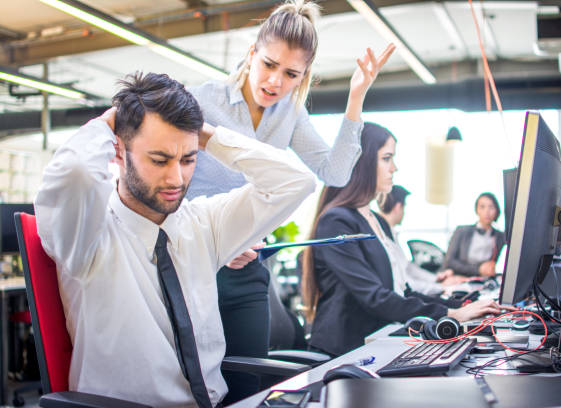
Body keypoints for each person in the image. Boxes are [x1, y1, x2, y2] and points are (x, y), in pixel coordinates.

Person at [34, 72, 315, 407]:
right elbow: (76, 171)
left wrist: (207, 136)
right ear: (119, 152)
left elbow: (296, 182)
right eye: (159, 159)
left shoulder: (203, 222)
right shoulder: (88, 234)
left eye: (188, 159)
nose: (175, 178)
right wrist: (110, 122)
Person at [186, 0, 395, 372]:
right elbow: (170, 190)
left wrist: (356, 97)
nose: (275, 82)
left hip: (248, 271)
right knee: (195, 382)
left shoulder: (291, 114)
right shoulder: (202, 101)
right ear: (252, 53)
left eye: (291, 74)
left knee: (248, 381)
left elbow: (334, 173)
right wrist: (216, 238)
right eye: (268, 64)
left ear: (305, 75)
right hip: (194, 264)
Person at [301, 123, 506, 357]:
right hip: (345, 352)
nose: (394, 168)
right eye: (387, 158)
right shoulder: (336, 221)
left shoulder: (376, 221)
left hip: (378, 341)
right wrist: (450, 315)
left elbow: (403, 292)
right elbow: (375, 297)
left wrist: (464, 307)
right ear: (363, 162)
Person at [376, 185, 466, 296]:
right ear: (398, 207)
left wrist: (436, 278)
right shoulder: (383, 238)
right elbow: (407, 283)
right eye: (405, 207)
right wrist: (441, 287)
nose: (404, 213)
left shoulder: (390, 232)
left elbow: (408, 267)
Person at [440, 192, 506, 279]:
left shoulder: (499, 236)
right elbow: (449, 262)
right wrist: (478, 269)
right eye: (482, 207)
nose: (487, 212)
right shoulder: (462, 231)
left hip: (485, 280)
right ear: (477, 210)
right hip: (460, 278)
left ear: (497, 211)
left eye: (491, 207)